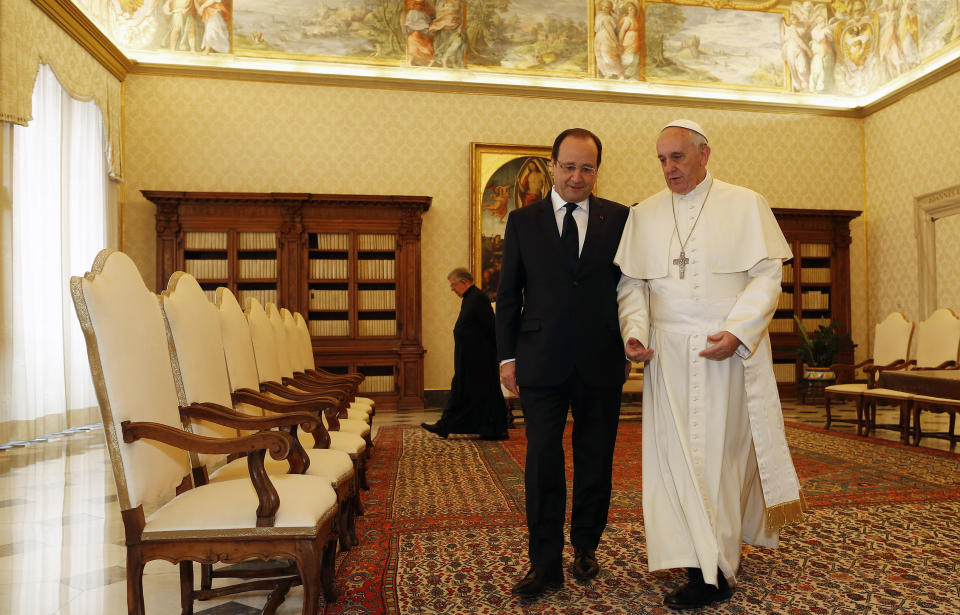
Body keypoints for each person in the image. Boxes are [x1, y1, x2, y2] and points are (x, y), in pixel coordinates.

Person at [614, 120, 804, 610]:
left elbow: (766, 277)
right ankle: (690, 551)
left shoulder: (746, 203)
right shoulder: (645, 214)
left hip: (725, 352)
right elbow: (633, 286)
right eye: (661, 159)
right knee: (674, 462)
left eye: (677, 157)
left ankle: (714, 570)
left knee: (719, 461)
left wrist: (739, 330)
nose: (668, 168)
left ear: (705, 154)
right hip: (668, 357)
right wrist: (634, 332)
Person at [496, 128, 629, 599]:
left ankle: (587, 547)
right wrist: (507, 358)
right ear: (552, 164)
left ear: (597, 170)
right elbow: (509, 295)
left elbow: (632, 288)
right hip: (540, 361)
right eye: (569, 166)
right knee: (543, 461)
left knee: (596, 460)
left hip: (601, 361)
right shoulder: (522, 221)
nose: (577, 177)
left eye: (587, 168)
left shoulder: (620, 218)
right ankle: (545, 561)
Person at [422, 268, 509, 440]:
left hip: (480, 360)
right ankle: (451, 426)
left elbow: (492, 328)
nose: (452, 288)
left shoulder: (478, 298)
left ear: (464, 282)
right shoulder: (470, 298)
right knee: (464, 392)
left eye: (453, 284)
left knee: (478, 393)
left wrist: (496, 355)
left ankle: (492, 429)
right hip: (470, 359)